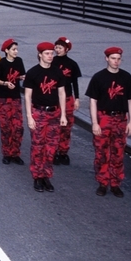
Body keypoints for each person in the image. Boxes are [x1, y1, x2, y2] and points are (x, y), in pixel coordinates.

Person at [86, 47, 131, 198]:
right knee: (101, 152)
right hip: (104, 117)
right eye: (113, 58)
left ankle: (116, 183)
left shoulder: (126, 77)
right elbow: (93, 101)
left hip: (120, 118)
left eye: (118, 59)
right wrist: (94, 122)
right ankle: (103, 182)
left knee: (118, 152)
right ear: (107, 59)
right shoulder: (99, 77)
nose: (116, 62)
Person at [23, 42, 67, 193]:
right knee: (38, 146)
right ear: (40, 55)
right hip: (39, 113)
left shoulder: (57, 72)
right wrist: (29, 116)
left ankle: (46, 176)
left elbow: (62, 93)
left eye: (52, 53)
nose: (50, 56)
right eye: (47, 53)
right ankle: (37, 176)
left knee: (51, 147)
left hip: (54, 113)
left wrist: (63, 114)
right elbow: (27, 96)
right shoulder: (33, 73)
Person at [0, 39, 26, 165]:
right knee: (6, 127)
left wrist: (22, 77)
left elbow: (21, 75)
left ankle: (15, 153)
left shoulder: (19, 61)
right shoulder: (1, 63)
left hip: (16, 98)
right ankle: (7, 153)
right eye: (13, 49)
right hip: (3, 98)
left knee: (18, 127)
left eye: (17, 49)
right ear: (6, 50)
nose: (16, 52)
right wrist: (5, 83)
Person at [53, 37, 82, 165]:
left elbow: (74, 82)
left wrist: (77, 98)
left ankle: (63, 152)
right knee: (55, 126)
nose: (57, 50)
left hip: (68, 97)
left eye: (60, 48)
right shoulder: (52, 62)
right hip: (54, 98)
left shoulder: (72, 64)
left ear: (66, 49)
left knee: (67, 126)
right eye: (56, 47)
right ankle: (53, 151)